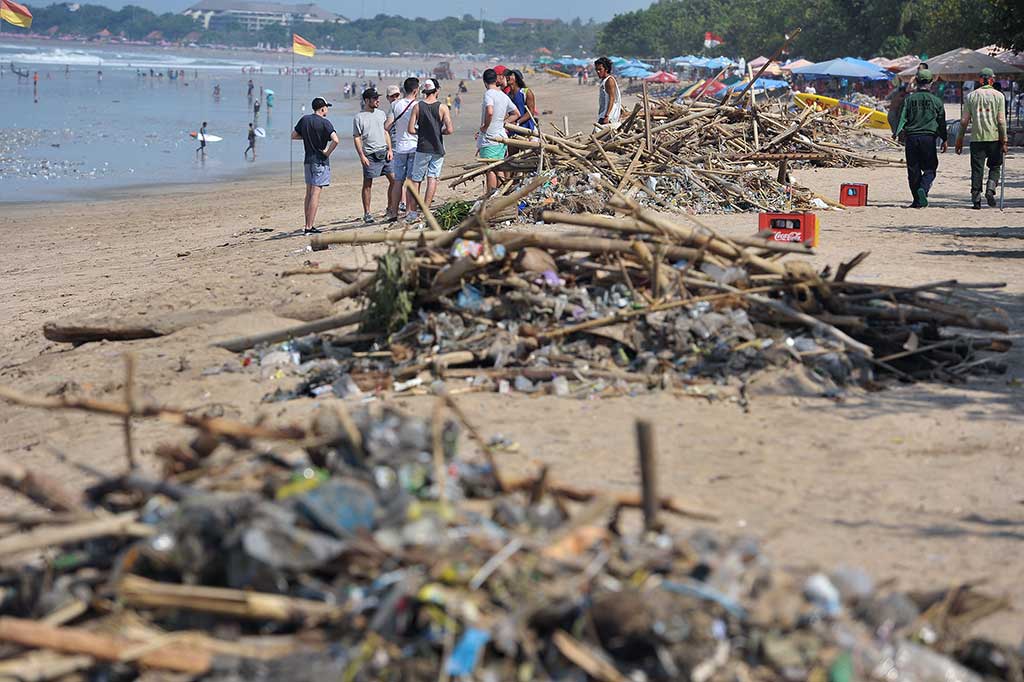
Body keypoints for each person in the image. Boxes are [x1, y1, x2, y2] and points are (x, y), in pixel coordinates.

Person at [893, 69, 947, 208]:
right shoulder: (936, 101)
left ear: (916, 82)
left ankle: (917, 200)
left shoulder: (909, 99)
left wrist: (896, 132)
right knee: (930, 168)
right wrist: (944, 139)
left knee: (913, 170)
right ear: (931, 83)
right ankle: (923, 188)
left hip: (911, 138)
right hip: (928, 138)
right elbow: (941, 122)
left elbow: (903, 118)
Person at [955, 67, 1008, 209]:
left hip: (976, 139)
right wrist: (1004, 140)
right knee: (995, 166)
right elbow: (1001, 121)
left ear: (980, 80)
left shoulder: (971, 96)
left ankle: (976, 198)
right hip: (995, 138)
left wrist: (959, 139)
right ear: (991, 80)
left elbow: (964, 121)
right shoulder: (999, 96)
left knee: (977, 169)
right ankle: (990, 189)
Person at [407, 78, 454, 221]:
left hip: (422, 147)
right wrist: (440, 132)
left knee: (416, 180)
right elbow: (450, 129)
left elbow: (410, 129)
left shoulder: (417, 106)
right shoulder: (443, 107)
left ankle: (413, 212)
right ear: (437, 90)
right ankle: (426, 210)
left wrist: (421, 133)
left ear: (424, 91)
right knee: (432, 178)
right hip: (437, 148)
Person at [292, 96, 340, 234]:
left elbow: (294, 135)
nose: (327, 110)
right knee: (315, 194)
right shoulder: (325, 123)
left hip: (308, 160)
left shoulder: (305, 119)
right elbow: (336, 140)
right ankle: (309, 227)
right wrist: (327, 153)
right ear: (323, 108)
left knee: (308, 194)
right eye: (327, 108)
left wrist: (306, 137)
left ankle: (307, 225)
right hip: (319, 161)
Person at [353, 88, 395, 223]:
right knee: (367, 184)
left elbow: (385, 132)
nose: (378, 100)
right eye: (374, 98)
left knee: (394, 181)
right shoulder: (359, 117)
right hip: (370, 155)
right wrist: (362, 156)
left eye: (378, 98)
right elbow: (357, 138)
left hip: (385, 152)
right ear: (367, 100)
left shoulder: (381, 114)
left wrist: (390, 149)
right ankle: (367, 213)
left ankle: (390, 208)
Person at [477, 68, 520, 192]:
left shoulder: (489, 94)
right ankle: (499, 194)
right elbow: (516, 113)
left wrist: (485, 126)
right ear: (496, 80)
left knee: (490, 168)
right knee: (499, 167)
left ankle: (491, 195)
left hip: (490, 138)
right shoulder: (503, 95)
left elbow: (490, 111)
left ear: (485, 82)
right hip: (501, 138)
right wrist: (502, 123)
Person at [387, 77, 420, 216]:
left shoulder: (395, 105)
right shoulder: (419, 105)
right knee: (411, 181)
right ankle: (408, 211)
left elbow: (386, 126)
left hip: (399, 147)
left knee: (398, 181)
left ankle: (394, 212)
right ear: (415, 90)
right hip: (414, 146)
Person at [594, 57, 621, 129]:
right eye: (596, 69)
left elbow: (612, 98)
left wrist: (607, 116)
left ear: (606, 69)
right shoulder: (604, 80)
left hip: (608, 115)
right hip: (604, 113)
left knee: (597, 132)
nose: (598, 72)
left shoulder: (609, 80)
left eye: (600, 69)